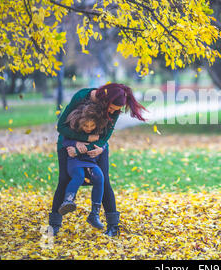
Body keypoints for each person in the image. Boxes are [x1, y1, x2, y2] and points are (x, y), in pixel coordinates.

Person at [48, 83, 147, 237]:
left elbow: (105, 136)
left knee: (104, 180)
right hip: (68, 144)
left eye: (116, 110)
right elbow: (61, 126)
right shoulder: (82, 96)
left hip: (96, 148)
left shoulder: (113, 110)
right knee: (64, 180)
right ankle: (53, 225)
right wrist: (80, 141)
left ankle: (113, 226)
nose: (112, 112)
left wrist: (97, 147)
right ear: (105, 99)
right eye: (111, 108)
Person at [58, 101, 109, 230]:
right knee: (79, 176)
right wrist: (74, 143)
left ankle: (94, 214)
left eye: (92, 125)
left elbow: (104, 142)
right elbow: (65, 140)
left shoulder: (98, 132)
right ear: (80, 122)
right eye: (86, 125)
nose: (89, 128)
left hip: (91, 162)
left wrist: (100, 149)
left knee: (99, 177)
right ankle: (68, 200)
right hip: (75, 161)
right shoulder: (73, 130)